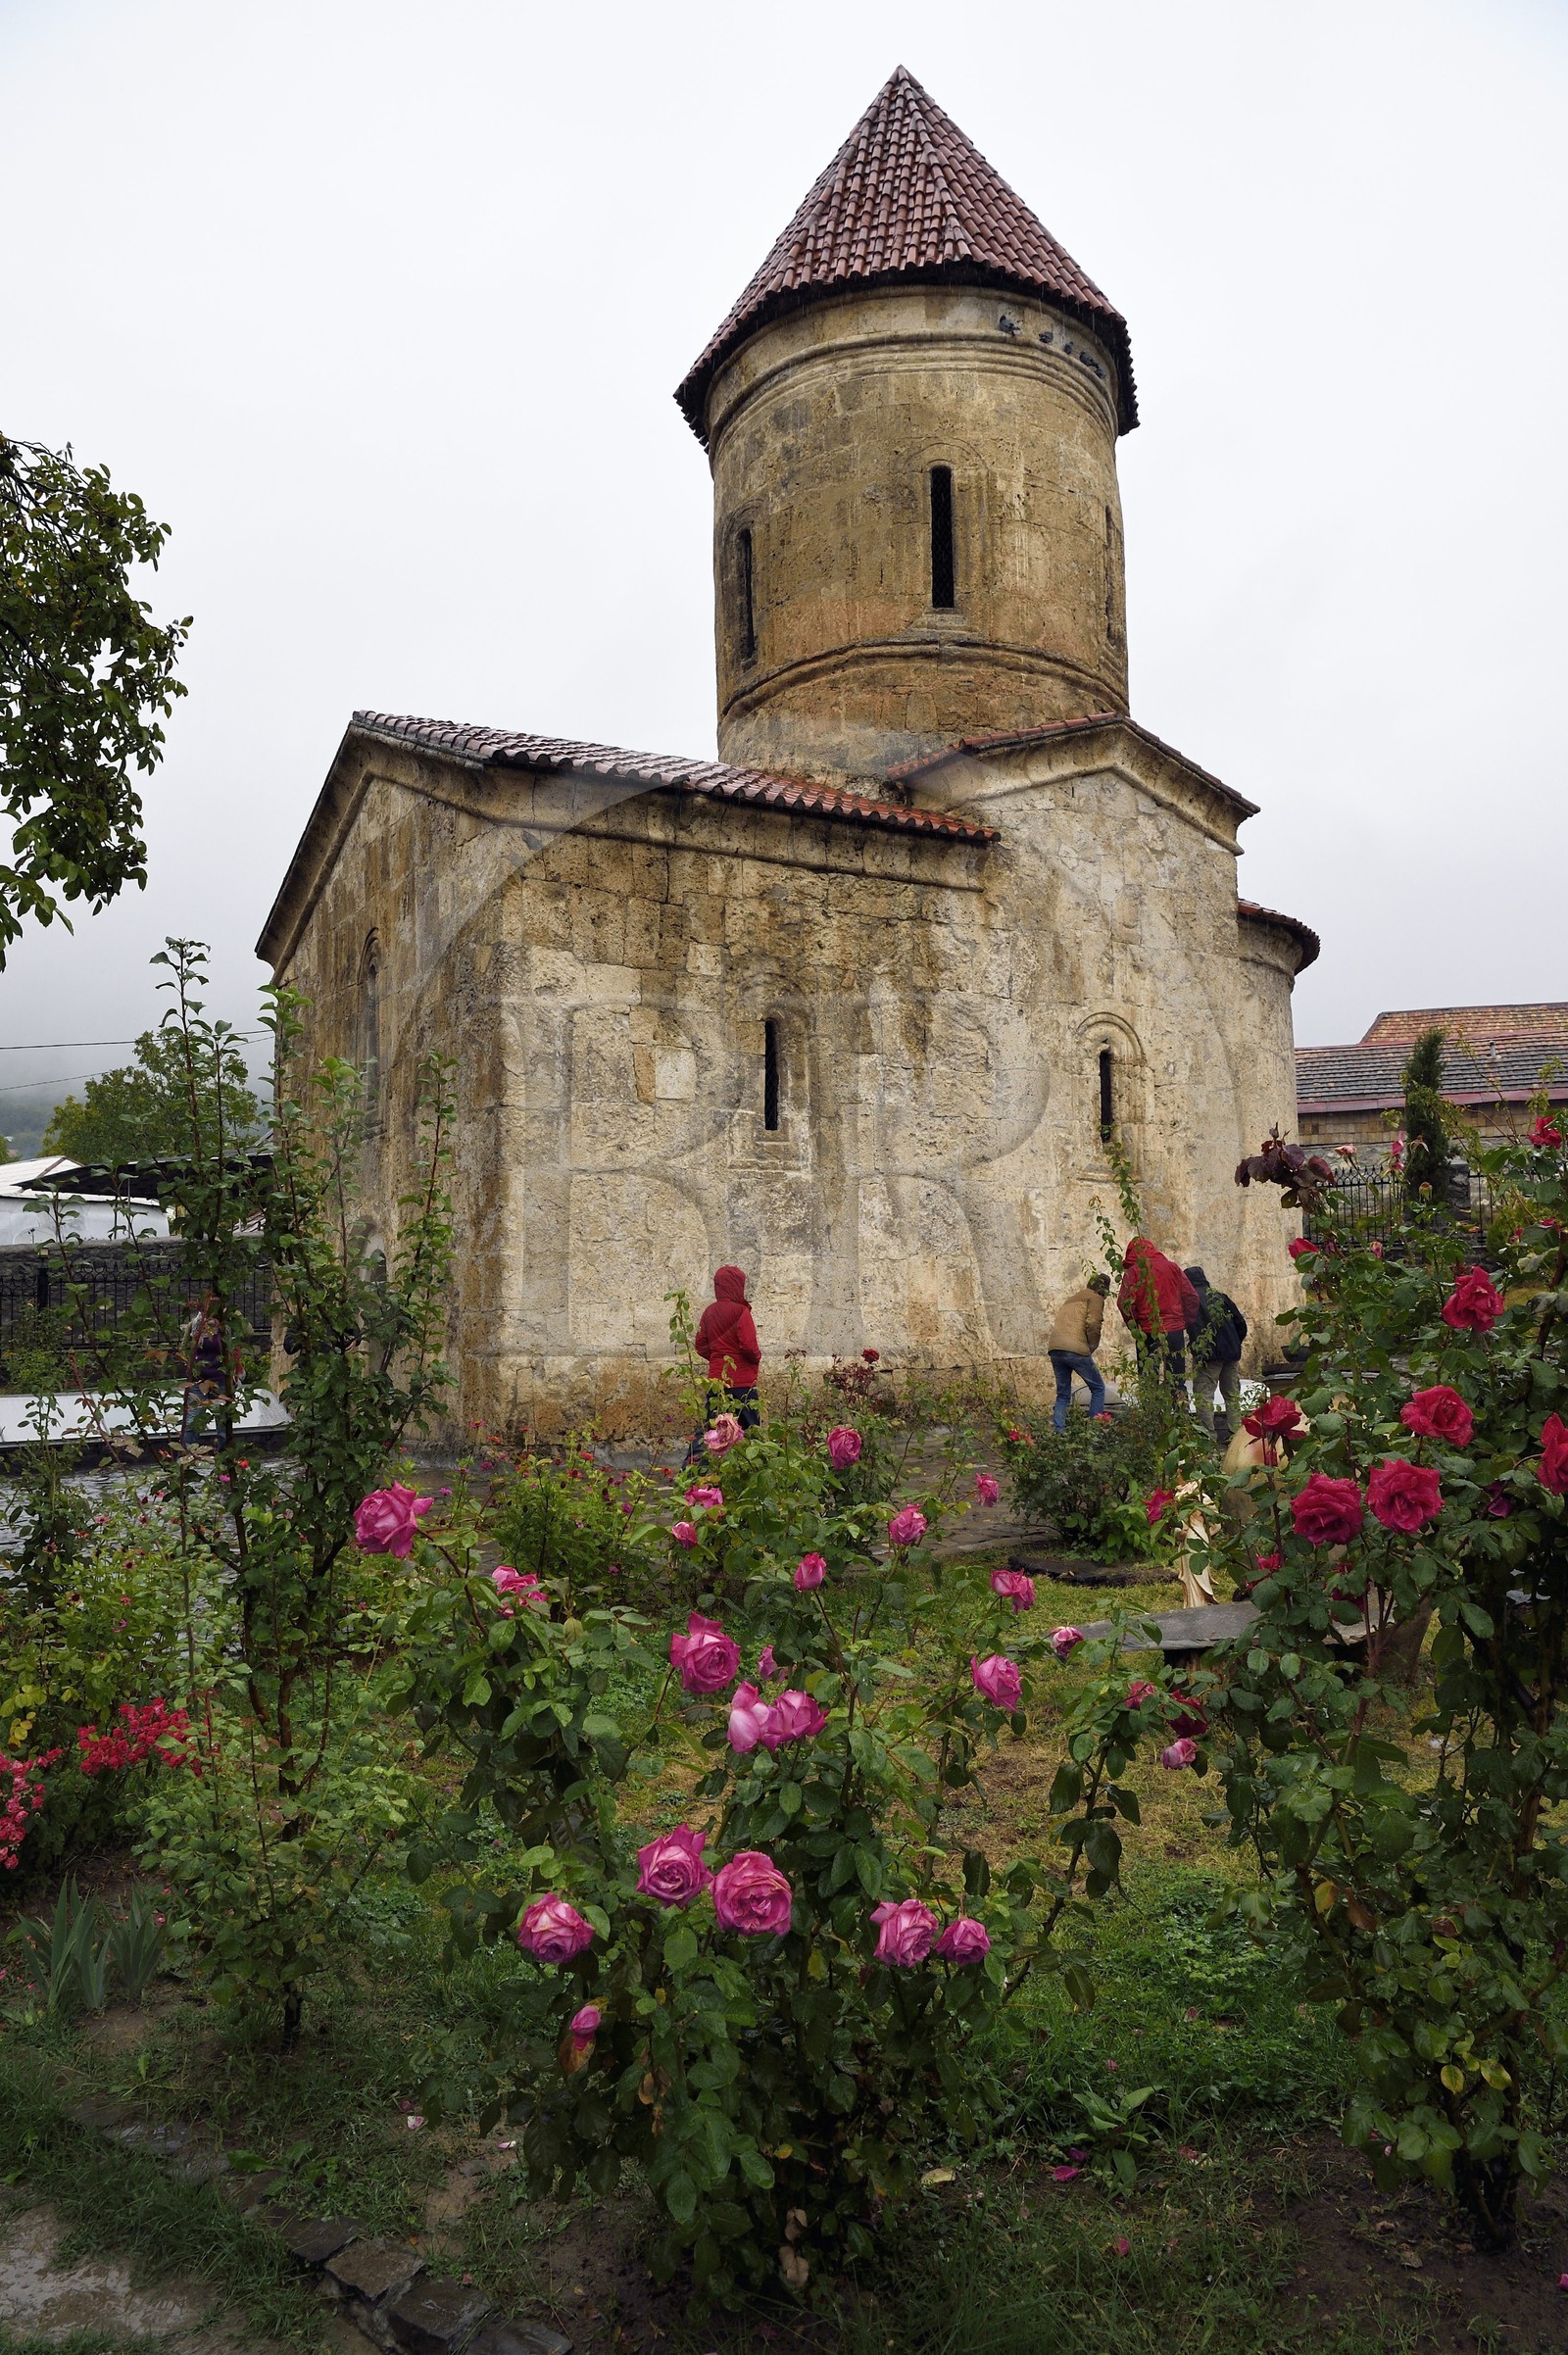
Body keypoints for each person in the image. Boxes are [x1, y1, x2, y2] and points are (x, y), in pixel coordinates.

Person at [1116, 1238, 1198, 1398]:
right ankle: (1180, 1417)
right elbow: (1191, 1297)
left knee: (1148, 1380)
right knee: (1177, 1380)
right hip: (1174, 1330)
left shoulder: (1133, 1272)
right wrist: (1186, 1321)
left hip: (1147, 1331)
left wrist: (1135, 1327)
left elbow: (1124, 1303)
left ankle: (1152, 1418)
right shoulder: (1173, 1268)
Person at [693, 1265, 761, 1435]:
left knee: (715, 1431)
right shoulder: (741, 1312)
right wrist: (756, 1358)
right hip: (742, 1382)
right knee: (751, 1431)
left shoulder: (709, 1312)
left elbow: (700, 1345)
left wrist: (718, 1358)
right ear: (738, 1285)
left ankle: (701, 1460)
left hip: (716, 1382)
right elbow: (749, 1346)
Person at [1184, 1264, 1248, 1445]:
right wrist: (1234, 1343)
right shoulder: (1221, 1296)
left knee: (1204, 1396)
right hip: (1231, 1353)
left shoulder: (1191, 1300)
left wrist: (1198, 1350)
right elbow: (1240, 1323)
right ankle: (1236, 1437)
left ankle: (1208, 1439)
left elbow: (1192, 1327)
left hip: (1208, 1355)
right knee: (1232, 1394)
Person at [1047, 1272, 1110, 1430]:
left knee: (1063, 1395)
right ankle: (1094, 1432)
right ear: (1104, 1289)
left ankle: (1059, 1434)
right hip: (1075, 1348)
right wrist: (1092, 1346)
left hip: (1055, 1348)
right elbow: (1093, 1323)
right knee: (1098, 1388)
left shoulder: (1072, 1299)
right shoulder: (1095, 1297)